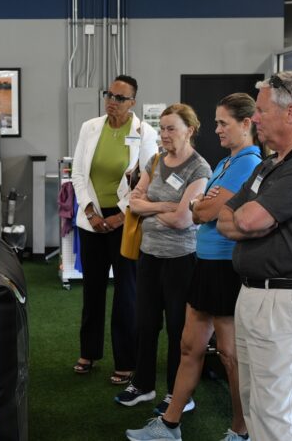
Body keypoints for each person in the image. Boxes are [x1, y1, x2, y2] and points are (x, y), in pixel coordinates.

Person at [213, 72, 292, 441]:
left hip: (287, 301)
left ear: (291, 113)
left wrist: (249, 220)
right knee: (257, 407)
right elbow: (226, 218)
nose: (254, 119)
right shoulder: (270, 164)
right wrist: (250, 222)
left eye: (262, 111)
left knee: (278, 418)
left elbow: (248, 216)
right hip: (256, 295)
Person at [125, 94, 261, 441]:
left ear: (246, 125)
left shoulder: (247, 162)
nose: (217, 130)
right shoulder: (227, 163)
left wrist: (197, 206)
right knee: (189, 346)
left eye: (223, 123)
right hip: (205, 265)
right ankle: (169, 425)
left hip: (223, 268)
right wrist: (192, 206)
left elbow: (197, 214)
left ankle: (240, 430)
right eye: (215, 123)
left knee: (230, 356)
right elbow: (197, 209)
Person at [116, 104, 211, 410]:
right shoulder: (156, 160)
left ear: (189, 131)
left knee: (176, 328)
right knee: (145, 323)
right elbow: (134, 203)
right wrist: (166, 206)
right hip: (149, 255)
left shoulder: (200, 169)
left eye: (172, 128)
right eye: (163, 128)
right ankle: (143, 385)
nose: (165, 134)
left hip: (181, 259)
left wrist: (153, 207)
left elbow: (185, 220)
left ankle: (177, 393)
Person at [70, 75, 158, 385]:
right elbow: (78, 173)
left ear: (133, 102)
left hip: (126, 222)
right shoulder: (90, 127)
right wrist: (91, 213)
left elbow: (147, 181)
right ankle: (89, 352)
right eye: (110, 94)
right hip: (92, 220)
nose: (113, 101)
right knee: (92, 290)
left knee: (126, 293)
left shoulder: (145, 133)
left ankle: (125, 360)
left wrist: (121, 216)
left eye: (121, 98)